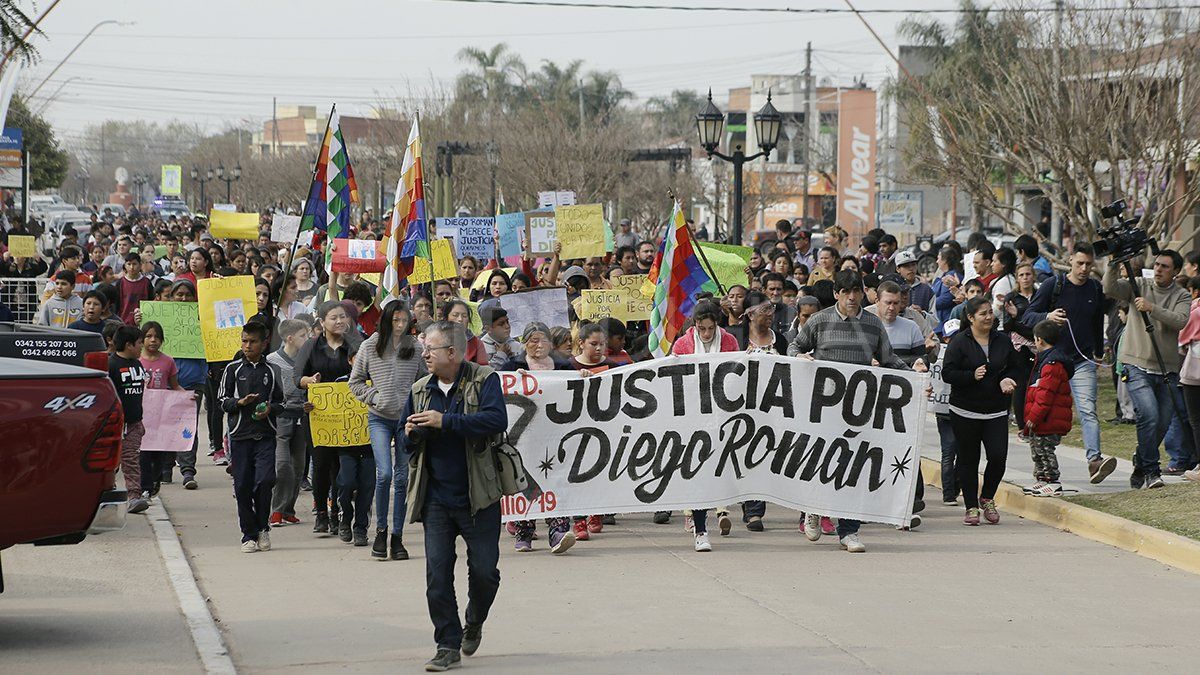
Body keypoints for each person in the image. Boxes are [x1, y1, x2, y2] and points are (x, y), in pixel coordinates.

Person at [401, 321, 508, 672]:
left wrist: (445, 421)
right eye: (423, 349)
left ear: (452, 352)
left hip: (479, 496)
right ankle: (447, 644)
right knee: (437, 576)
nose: (425, 355)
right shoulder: (420, 389)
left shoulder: (484, 379)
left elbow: (496, 420)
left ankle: (473, 621)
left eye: (430, 349)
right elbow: (404, 439)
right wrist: (411, 433)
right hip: (436, 498)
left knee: (485, 572)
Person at [789, 270, 910, 551]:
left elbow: (889, 359)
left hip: (858, 410)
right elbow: (796, 345)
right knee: (821, 461)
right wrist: (799, 356)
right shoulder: (819, 321)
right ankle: (813, 509)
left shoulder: (873, 324)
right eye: (846, 292)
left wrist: (916, 377)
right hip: (822, 409)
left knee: (854, 468)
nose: (852, 297)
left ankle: (849, 531)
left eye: (856, 291)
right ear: (836, 294)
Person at [1023, 244, 1114, 482]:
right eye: (1080, 263)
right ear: (1070, 260)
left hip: (1082, 361)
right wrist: (1047, 316)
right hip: (1053, 363)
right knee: (1047, 413)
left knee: (1088, 410)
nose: (1084, 269)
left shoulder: (1095, 288)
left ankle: (1094, 460)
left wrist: (1098, 351)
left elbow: (1097, 321)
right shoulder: (1053, 285)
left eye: (1088, 264)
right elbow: (1027, 316)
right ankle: (1043, 468)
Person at [1103, 250, 1194, 488]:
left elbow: (1180, 320)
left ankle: (1141, 460)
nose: (1159, 269)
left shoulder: (1182, 295)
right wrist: (1112, 265)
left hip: (1167, 369)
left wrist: (1152, 308)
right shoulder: (1139, 285)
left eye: (1165, 266)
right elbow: (1110, 288)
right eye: (1157, 265)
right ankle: (1152, 472)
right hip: (1136, 364)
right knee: (1149, 415)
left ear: (1176, 271)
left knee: (1162, 423)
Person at [349, 300, 424, 560]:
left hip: (406, 421)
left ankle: (397, 536)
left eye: (405, 321)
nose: (400, 325)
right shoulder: (369, 346)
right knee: (384, 474)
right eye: (396, 320)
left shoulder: (415, 347)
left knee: (402, 478)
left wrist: (416, 407)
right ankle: (380, 531)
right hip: (379, 418)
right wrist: (375, 397)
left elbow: (424, 381)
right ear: (386, 320)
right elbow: (355, 382)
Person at [500, 322, 580, 554]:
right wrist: (513, 379)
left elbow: (577, 388)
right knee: (526, 481)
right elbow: (497, 385)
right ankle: (524, 531)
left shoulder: (564, 366)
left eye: (543, 339)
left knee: (557, 480)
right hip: (524, 437)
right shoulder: (513, 366)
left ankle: (558, 532)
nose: (539, 344)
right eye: (533, 340)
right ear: (525, 343)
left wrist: (583, 376)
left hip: (556, 434)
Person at [942, 297, 1021, 526]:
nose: (988, 317)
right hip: (965, 411)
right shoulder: (959, 342)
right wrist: (971, 376)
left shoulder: (1002, 340)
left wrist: (1007, 379)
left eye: (990, 312)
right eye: (982, 314)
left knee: (997, 456)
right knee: (968, 460)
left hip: (996, 410)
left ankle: (987, 498)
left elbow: (1015, 367)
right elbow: (948, 373)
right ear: (970, 317)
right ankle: (971, 507)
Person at [669, 300, 738, 551]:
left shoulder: (729, 341)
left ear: (717, 324)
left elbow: (737, 373)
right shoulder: (682, 344)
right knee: (697, 471)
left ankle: (720, 509)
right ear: (695, 325)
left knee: (716, 470)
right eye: (702, 329)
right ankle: (700, 530)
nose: (706, 334)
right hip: (693, 416)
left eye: (710, 328)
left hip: (721, 415)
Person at [295, 300, 363, 536]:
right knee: (322, 464)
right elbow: (297, 378)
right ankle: (322, 513)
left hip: (349, 415)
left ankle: (338, 513)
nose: (339, 321)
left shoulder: (356, 345)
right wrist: (310, 382)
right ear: (322, 322)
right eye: (334, 318)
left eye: (343, 317)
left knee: (342, 467)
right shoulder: (311, 346)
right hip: (318, 414)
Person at [218, 321, 284, 553]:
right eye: (244, 341)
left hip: (265, 435)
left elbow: (282, 403)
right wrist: (239, 402)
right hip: (240, 435)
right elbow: (222, 401)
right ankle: (248, 534)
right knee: (243, 486)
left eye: (253, 341)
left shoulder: (272, 370)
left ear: (264, 343)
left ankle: (263, 527)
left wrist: (270, 409)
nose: (247, 346)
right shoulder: (232, 369)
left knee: (265, 481)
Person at [267, 319, 315, 528]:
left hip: (302, 417)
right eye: (303, 336)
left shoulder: (309, 360)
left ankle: (288, 510)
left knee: (298, 466)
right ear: (290, 338)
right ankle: (276, 510)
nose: (307, 339)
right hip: (280, 418)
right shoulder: (272, 361)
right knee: (282, 465)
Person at [1023, 320, 1075, 497]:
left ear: (1040, 340)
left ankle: (1053, 481)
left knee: (1045, 450)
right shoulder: (1044, 361)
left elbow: (1045, 394)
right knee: (1036, 449)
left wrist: (1034, 416)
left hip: (1048, 418)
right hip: (1042, 419)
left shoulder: (1052, 364)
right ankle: (1041, 479)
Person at [110, 325, 151, 515]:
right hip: (114, 425)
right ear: (129, 345)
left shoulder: (137, 364)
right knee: (111, 462)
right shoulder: (111, 365)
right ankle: (106, 493)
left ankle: (134, 496)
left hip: (134, 424)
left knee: (131, 459)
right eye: (140, 343)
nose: (142, 346)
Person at [441, 299, 490, 366]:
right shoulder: (436, 340)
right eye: (455, 315)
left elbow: (483, 368)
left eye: (464, 316)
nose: (460, 319)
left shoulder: (476, 343)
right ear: (446, 318)